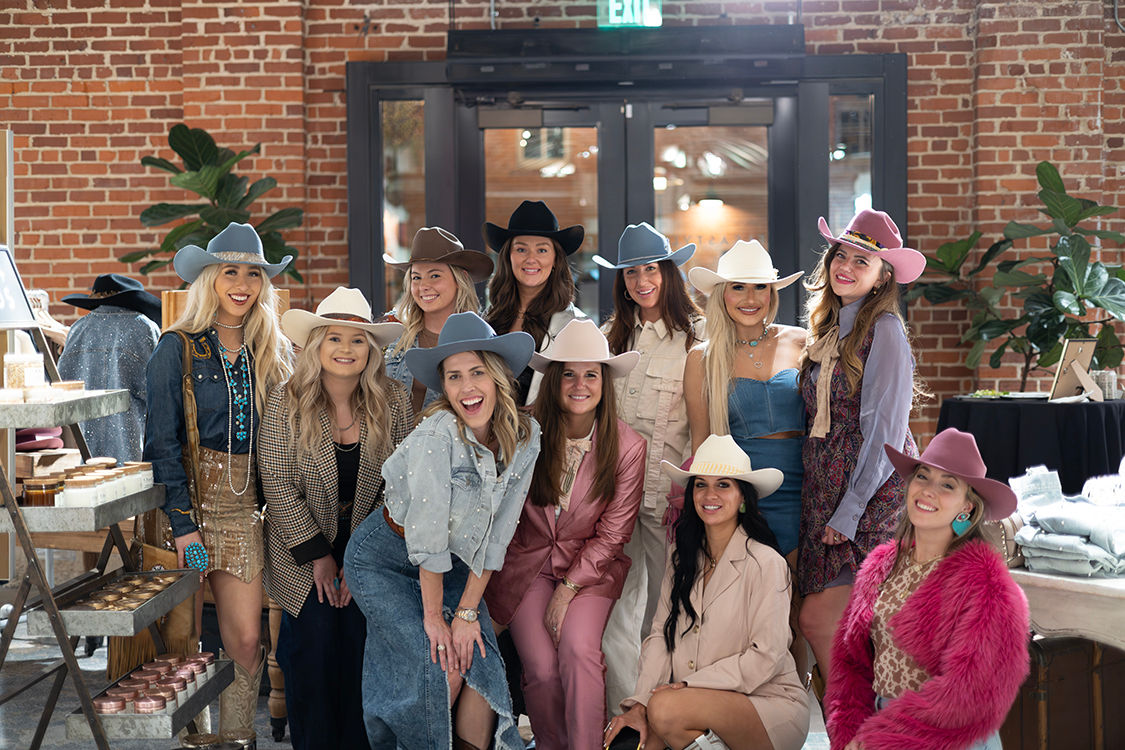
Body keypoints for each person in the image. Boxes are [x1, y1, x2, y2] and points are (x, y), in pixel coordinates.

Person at [343, 312, 541, 750]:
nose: (467, 388)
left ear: (498, 377)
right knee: (442, 666)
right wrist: (436, 619)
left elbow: (496, 536)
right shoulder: (438, 433)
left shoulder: (527, 437)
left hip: (454, 565)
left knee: (477, 657)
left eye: (477, 373)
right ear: (444, 386)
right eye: (454, 377)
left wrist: (468, 614)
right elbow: (428, 537)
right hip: (384, 560)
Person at [143, 222, 293, 734]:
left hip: (244, 509)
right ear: (210, 278)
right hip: (184, 509)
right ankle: (193, 741)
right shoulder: (177, 347)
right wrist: (184, 526)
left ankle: (236, 739)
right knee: (181, 641)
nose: (243, 284)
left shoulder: (268, 351)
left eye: (253, 274)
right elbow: (160, 444)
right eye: (230, 271)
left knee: (247, 641)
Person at [260, 287, 412, 750]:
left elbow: (402, 486)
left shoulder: (395, 399)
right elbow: (277, 481)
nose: (346, 349)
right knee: (314, 647)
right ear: (315, 347)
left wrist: (360, 559)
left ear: (372, 350)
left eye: (358, 340)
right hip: (301, 556)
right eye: (335, 339)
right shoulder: (287, 400)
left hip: (374, 551)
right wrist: (321, 557)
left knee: (363, 649)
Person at [484, 319, 646, 750]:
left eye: (591, 373)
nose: (580, 384)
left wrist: (568, 588)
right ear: (553, 380)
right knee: (539, 667)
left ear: (604, 382)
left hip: (590, 570)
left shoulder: (629, 446)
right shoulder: (522, 430)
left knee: (578, 652)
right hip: (526, 565)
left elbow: (615, 532)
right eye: (569, 373)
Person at [825, 428, 1030, 750]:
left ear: (969, 508)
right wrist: (851, 731)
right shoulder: (881, 565)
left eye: (948, 484)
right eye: (923, 476)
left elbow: (972, 695)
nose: (928, 490)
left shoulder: (988, 586)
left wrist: (878, 739)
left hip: (947, 737)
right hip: (874, 725)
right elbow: (850, 663)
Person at [604, 434, 810, 750]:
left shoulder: (766, 562)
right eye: (701, 484)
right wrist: (640, 704)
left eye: (723, 484)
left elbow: (765, 655)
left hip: (767, 705)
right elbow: (660, 636)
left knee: (665, 710)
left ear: (744, 497)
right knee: (631, 743)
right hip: (689, 703)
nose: (709, 494)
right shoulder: (681, 558)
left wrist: (685, 686)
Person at [796, 209, 926, 688]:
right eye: (841, 255)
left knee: (822, 621)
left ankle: (859, 735)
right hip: (824, 493)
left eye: (862, 262)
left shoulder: (884, 330)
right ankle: (853, 736)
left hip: (870, 496)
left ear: (882, 277)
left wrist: (849, 511)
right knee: (842, 634)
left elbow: (887, 434)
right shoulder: (829, 329)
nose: (845, 267)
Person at [595, 221, 705, 710]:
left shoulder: (696, 338)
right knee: (613, 610)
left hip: (668, 498)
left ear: (669, 272)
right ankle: (623, 713)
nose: (641, 280)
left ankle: (661, 713)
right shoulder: (609, 337)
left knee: (667, 611)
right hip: (612, 499)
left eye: (651, 269)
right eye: (631, 272)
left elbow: (707, 424)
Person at [684, 239, 806, 557]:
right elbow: (701, 446)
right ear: (722, 293)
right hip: (743, 494)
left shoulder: (801, 341)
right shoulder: (702, 358)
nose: (750, 299)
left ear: (772, 293)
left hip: (806, 491)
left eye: (760, 287)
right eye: (738, 287)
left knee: (800, 599)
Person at [483, 200, 585, 405]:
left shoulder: (574, 325)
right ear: (508, 257)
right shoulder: (489, 318)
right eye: (521, 249)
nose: (531, 259)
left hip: (546, 434)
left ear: (556, 259)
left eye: (542, 250)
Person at [384, 226, 493, 417]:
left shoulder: (483, 338)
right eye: (416, 277)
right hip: (391, 446)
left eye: (435, 276)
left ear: (460, 279)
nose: (423, 286)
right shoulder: (392, 333)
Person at [59, 273, 162, 463]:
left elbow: (61, 392)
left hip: (81, 461)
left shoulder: (77, 328)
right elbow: (160, 397)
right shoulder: (143, 327)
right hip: (131, 458)